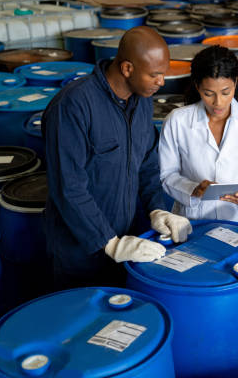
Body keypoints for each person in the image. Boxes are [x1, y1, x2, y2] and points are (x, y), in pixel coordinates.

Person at [43, 26, 192, 290]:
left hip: (130, 242)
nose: (162, 82)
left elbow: (147, 163)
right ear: (127, 69)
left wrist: (156, 209)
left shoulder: (141, 101)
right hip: (81, 252)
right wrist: (109, 243)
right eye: (155, 75)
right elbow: (69, 187)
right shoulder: (73, 107)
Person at [158, 45, 238, 227]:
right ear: (197, 86)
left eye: (225, 92)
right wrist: (194, 189)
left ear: (235, 83)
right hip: (192, 222)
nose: (218, 102)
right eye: (208, 93)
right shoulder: (177, 121)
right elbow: (167, 175)